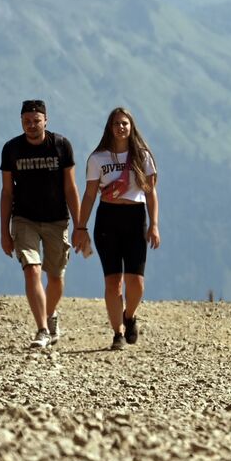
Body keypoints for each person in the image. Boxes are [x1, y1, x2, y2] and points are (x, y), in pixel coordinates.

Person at [0, 99, 85, 349]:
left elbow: (71, 187)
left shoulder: (61, 146)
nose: (32, 125)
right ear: (21, 122)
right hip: (24, 218)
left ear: (46, 120)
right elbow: (6, 192)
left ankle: (50, 313)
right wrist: (4, 232)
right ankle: (42, 329)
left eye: (36, 120)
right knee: (32, 269)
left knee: (56, 276)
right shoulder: (11, 149)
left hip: (57, 219)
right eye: (27, 121)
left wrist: (80, 226)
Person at [76, 106, 160, 351]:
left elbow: (151, 193)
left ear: (131, 126)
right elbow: (90, 195)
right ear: (109, 128)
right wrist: (81, 227)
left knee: (137, 282)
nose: (121, 127)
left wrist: (154, 224)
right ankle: (117, 333)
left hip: (135, 218)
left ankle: (130, 315)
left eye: (125, 123)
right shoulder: (98, 158)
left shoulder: (142, 156)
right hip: (107, 219)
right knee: (113, 282)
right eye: (116, 124)